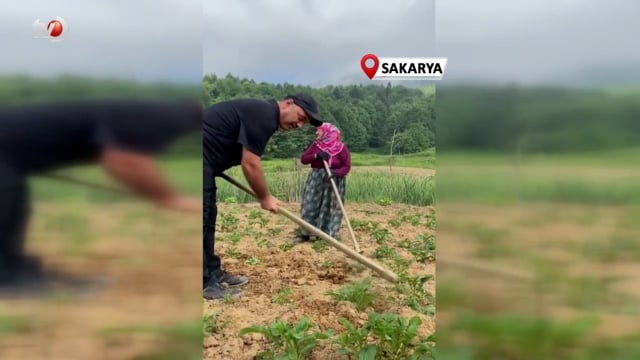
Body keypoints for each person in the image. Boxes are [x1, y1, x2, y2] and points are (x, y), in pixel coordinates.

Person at [0, 98, 203, 287]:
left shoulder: (154, 113)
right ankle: (9, 277)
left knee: (12, 204)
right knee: (7, 203)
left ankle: (16, 271)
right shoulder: (160, 118)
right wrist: (168, 197)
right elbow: (123, 160)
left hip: (9, 155)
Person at [203, 93, 323, 300]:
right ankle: (203, 283)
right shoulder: (265, 115)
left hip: (204, 162)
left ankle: (211, 272)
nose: (300, 125)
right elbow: (250, 163)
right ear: (288, 103)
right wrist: (265, 197)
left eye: (305, 123)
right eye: (301, 117)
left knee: (207, 219)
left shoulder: (262, 115)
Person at [298, 123, 351, 242]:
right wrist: (316, 155)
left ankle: (325, 234)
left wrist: (336, 173)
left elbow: (346, 166)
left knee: (330, 206)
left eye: (319, 130)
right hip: (316, 178)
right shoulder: (316, 145)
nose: (316, 133)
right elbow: (304, 159)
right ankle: (306, 233)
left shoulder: (341, 148)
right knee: (310, 203)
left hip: (333, 180)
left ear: (328, 132)